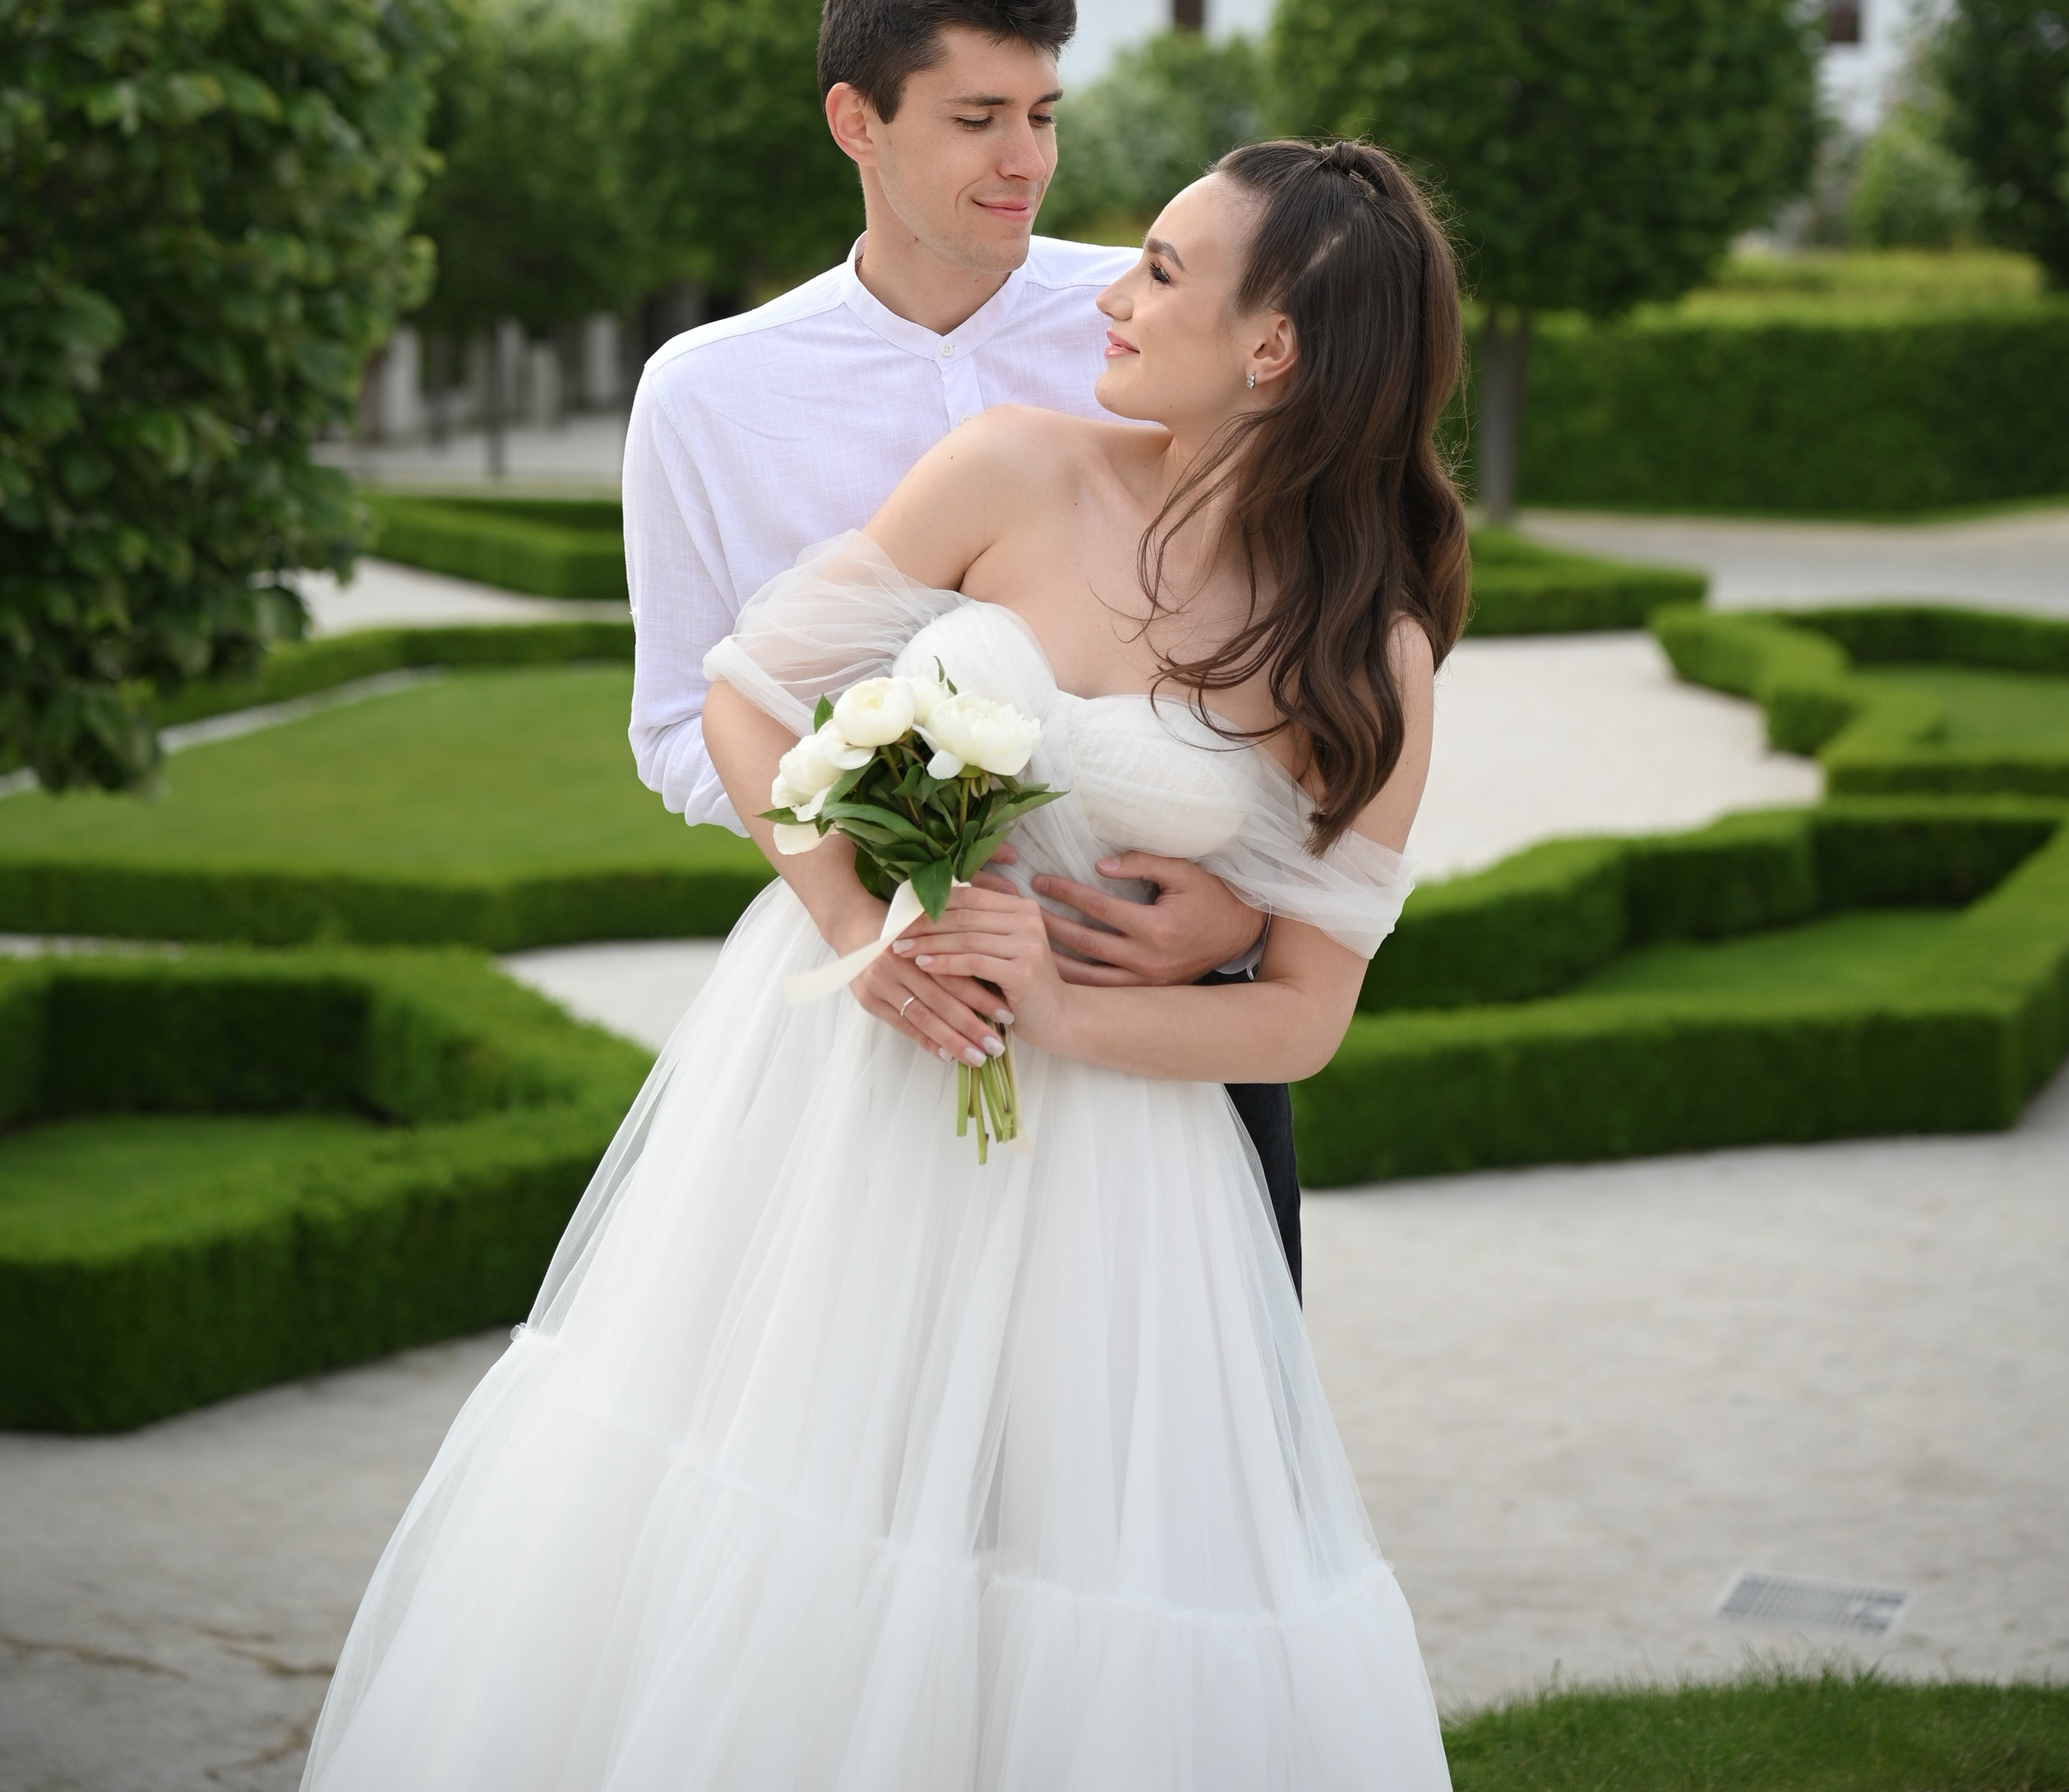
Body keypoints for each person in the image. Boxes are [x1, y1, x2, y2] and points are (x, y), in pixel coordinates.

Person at [302, 131, 1469, 1792]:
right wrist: (870, 929)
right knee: (769, 1509)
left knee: (1069, 1581)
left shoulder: (1367, 654)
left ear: (1271, 349)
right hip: (843, 1096)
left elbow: (1300, 1017)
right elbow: (749, 696)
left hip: (1120, 1180)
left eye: (1154, 267)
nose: (1106, 291)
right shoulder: (1012, 467)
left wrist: (1063, 1001)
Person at [622, 0, 1302, 1281]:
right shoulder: (706, 395)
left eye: (1047, 113)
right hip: (868, 1017)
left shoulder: (1150, 325)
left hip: (1157, 1009)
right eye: (981, 116)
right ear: (854, 121)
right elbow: (682, 727)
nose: (1029, 161)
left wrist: (1247, 912)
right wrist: (874, 899)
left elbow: (1304, 638)